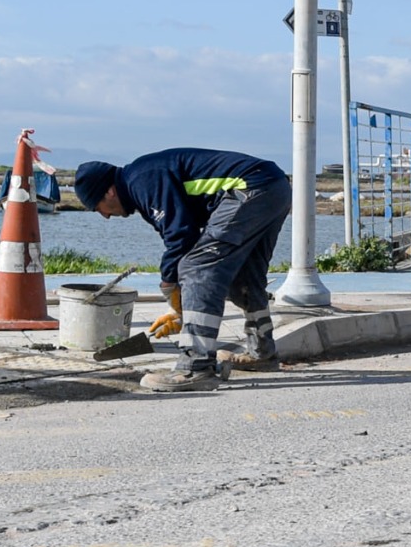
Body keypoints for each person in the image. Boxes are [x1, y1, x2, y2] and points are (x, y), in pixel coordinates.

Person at [72, 148, 290, 393]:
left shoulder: (142, 180)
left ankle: (195, 367)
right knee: (244, 277)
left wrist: (169, 287)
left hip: (249, 188)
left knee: (197, 267)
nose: (104, 216)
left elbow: (181, 237)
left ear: (109, 190)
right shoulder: (142, 181)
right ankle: (262, 353)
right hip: (273, 187)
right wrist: (179, 304)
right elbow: (181, 234)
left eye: (98, 207)